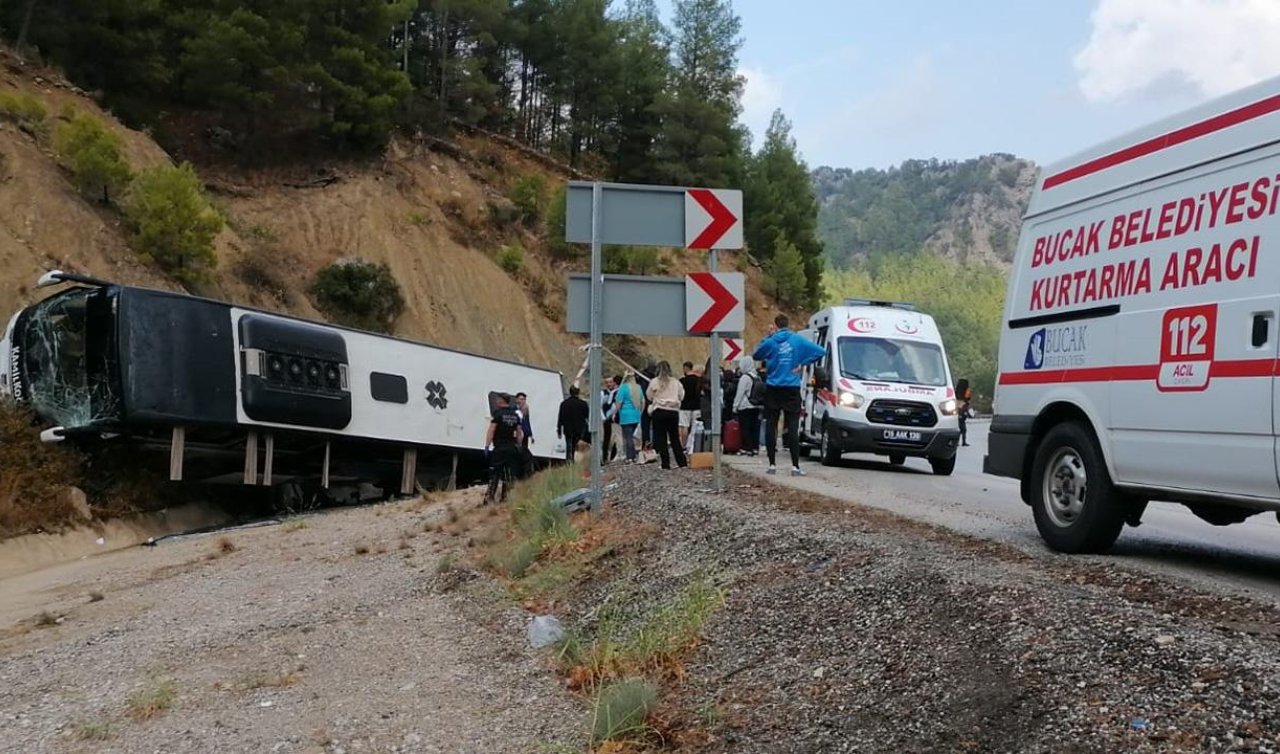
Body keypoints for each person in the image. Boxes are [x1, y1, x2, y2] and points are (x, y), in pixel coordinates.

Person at [753, 314, 826, 476]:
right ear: (788, 324)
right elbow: (821, 351)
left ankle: (772, 465)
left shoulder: (771, 341)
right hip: (792, 388)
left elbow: (756, 355)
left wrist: (767, 337)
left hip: (773, 387)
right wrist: (803, 363)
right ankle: (795, 467)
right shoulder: (797, 340)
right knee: (792, 427)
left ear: (776, 325)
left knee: (771, 425)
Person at [645, 361, 687, 470]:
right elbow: (682, 395)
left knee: (661, 438)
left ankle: (665, 464)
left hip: (659, 411)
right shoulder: (676, 382)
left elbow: (649, 396)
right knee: (674, 438)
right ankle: (681, 462)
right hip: (673, 411)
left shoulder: (654, 382)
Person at [484, 393, 524, 504]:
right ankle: (505, 498)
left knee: (495, 472)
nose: (496, 401)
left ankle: (490, 498)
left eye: (498, 399)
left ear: (502, 401)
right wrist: (519, 445)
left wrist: (487, 445)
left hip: (500, 448)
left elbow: (491, 430)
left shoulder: (498, 414)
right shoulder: (515, 415)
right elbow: (519, 432)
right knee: (508, 474)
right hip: (511, 447)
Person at [732, 356, 762, 456]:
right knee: (755, 428)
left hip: (745, 406)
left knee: (745, 428)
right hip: (756, 406)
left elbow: (740, 393)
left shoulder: (745, 378)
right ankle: (755, 447)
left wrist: (735, 406)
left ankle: (746, 447)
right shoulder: (757, 376)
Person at [611, 372, 644, 463]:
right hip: (636, 415)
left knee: (628, 437)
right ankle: (633, 455)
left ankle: (630, 457)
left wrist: (614, 413)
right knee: (632, 436)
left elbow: (619, 402)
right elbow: (642, 401)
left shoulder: (623, 388)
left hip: (625, 415)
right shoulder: (638, 388)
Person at [556, 386, 590, 462]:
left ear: (570, 392)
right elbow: (588, 417)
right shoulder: (583, 404)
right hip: (580, 429)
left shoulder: (564, 404)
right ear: (578, 393)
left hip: (568, 429)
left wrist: (559, 430)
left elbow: (560, 418)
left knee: (569, 446)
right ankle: (581, 459)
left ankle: (569, 460)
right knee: (578, 444)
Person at [678, 362, 700, 448]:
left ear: (685, 368)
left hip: (684, 406)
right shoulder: (698, 380)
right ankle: (693, 446)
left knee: (684, 426)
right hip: (696, 406)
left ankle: (683, 445)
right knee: (695, 427)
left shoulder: (682, 381)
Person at [515, 392, 535, 477]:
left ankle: (525, 473)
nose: (522, 401)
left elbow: (527, 422)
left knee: (524, 451)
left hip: (525, 434)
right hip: (519, 434)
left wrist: (531, 434)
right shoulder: (515, 410)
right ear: (517, 400)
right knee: (520, 452)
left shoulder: (526, 409)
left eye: (524, 399)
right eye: (521, 399)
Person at [956, 378, 973, 446]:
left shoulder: (957, 392)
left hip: (958, 410)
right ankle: (963, 442)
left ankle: (958, 442)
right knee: (963, 428)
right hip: (962, 410)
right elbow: (968, 399)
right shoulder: (966, 391)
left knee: (959, 427)